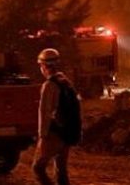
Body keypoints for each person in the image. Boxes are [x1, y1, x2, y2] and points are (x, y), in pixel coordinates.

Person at [32, 48, 80, 185]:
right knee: (61, 169)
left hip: (55, 134)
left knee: (38, 168)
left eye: (41, 65)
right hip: (68, 133)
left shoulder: (49, 85)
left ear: (44, 66)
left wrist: (42, 134)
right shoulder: (66, 82)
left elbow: (45, 112)